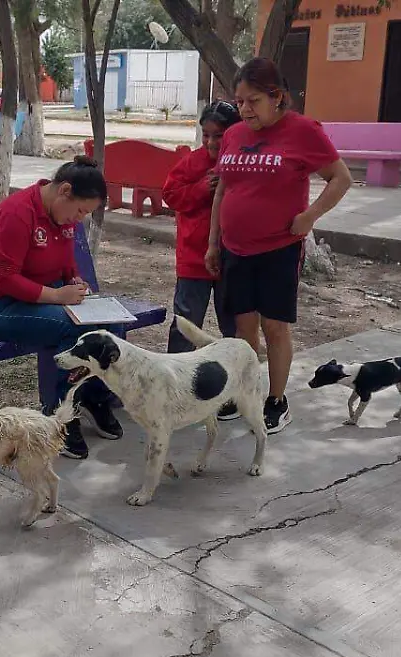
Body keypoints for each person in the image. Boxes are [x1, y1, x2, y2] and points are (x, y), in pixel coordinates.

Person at [206, 58, 352, 434]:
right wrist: (213, 243)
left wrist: (311, 216)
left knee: (274, 327)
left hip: (278, 249)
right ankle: (245, 393)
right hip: (235, 247)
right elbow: (224, 189)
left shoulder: (303, 131)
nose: (244, 109)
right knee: (242, 329)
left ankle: (276, 400)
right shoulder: (236, 134)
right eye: (239, 101)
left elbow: (340, 177)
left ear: (278, 97)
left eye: (253, 101)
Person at [0, 156, 122, 460]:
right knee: (72, 328)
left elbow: (66, 261)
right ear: (64, 191)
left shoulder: (61, 216)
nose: (78, 219)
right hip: (2, 307)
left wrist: (74, 279)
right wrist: (58, 297)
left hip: (45, 298)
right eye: (80, 210)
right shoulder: (17, 213)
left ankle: (95, 398)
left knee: (113, 328)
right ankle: (58, 418)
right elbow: (4, 280)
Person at [161, 99, 243, 420]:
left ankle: (232, 390)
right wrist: (199, 188)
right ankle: (173, 386)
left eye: (218, 135)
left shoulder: (241, 165)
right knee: (185, 323)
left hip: (231, 259)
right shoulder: (192, 163)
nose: (211, 142)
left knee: (232, 325)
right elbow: (171, 195)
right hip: (193, 259)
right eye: (205, 134)